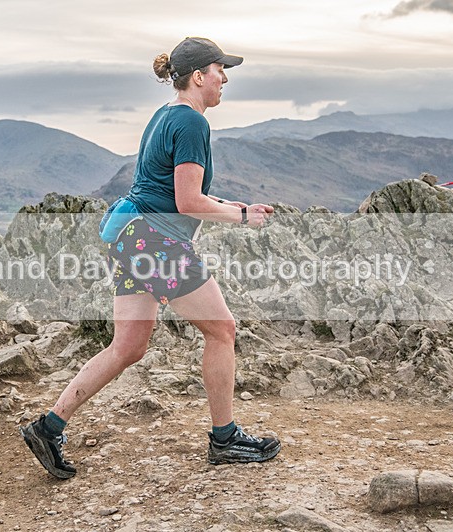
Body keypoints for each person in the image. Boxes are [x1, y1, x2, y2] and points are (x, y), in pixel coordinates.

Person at [20, 37, 280, 479]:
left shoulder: (166, 116)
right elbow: (186, 202)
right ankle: (225, 438)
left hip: (130, 233)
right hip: (155, 241)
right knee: (222, 330)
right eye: (221, 70)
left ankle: (49, 426)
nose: (225, 78)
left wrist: (237, 206)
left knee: (128, 346)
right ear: (199, 76)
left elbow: (174, 190)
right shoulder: (193, 125)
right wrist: (240, 220)